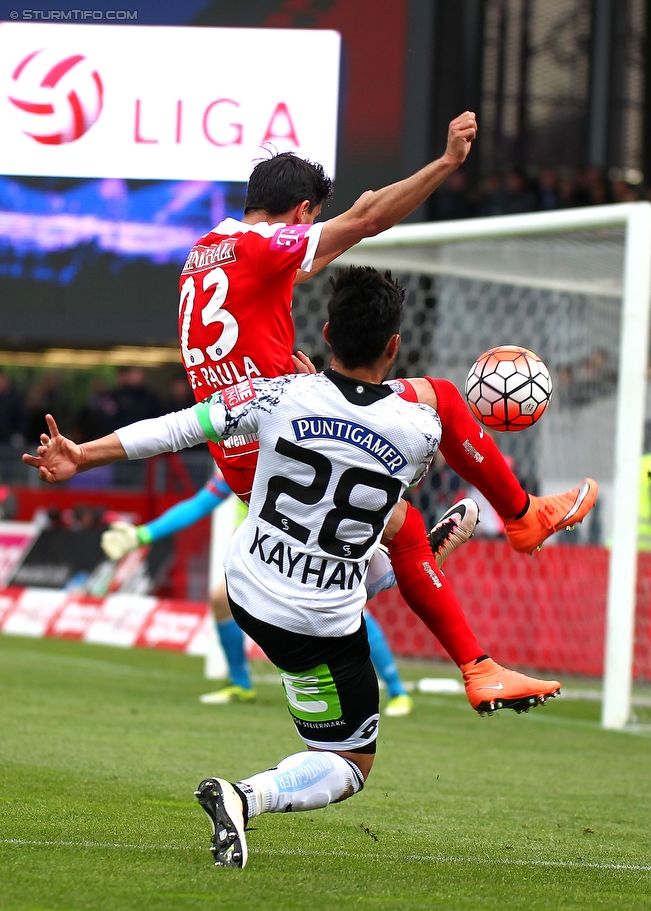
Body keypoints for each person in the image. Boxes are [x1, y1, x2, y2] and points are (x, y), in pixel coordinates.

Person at [24, 267, 563, 869]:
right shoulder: (419, 429)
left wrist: (83, 454)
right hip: (319, 625)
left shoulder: (274, 394)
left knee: (370, 539)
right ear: (394, 346)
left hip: (249, 593)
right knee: (350, 762)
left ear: (327, 332)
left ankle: (415, 559)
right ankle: (246, 795)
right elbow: (404, 428)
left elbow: (176, 428)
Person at [175, 112, 597, 709]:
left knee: (405, 529)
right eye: (314, 219)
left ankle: (475, 664)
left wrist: (280, 375)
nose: (316, 234)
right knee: (444, 401)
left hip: (247, 441)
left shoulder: (205, 252)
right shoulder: (267, 247)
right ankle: (522, 516)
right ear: (300, 212)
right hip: (287, 434)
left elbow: (229, 344)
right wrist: (448, 162)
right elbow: (368, 217)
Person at [101, 470, 479, 717]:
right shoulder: (236, 452)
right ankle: (240, 684)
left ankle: (397, 689)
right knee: (221, 599)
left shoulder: (282, 439)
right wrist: (141, 535)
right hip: (263, 555)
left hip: (307, 548)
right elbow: (200, 504)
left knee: (349, 608)